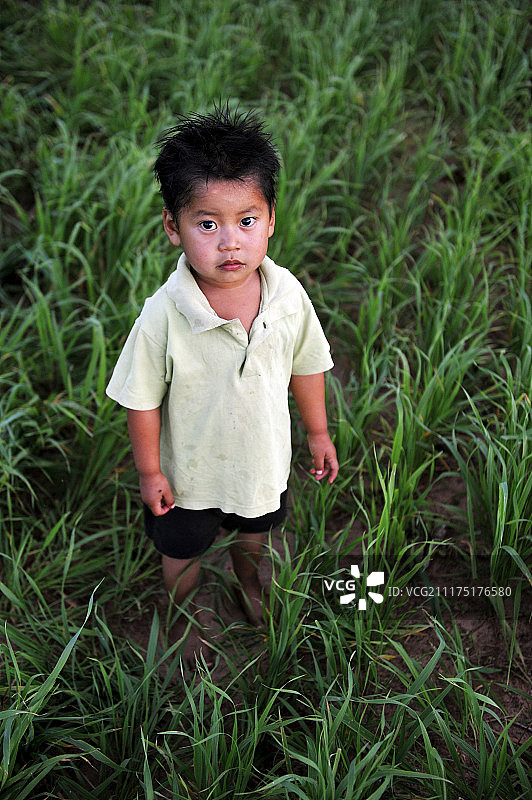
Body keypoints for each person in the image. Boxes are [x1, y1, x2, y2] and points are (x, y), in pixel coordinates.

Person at [106, 105, 338, 666]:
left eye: (246, 221)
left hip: (260, 464)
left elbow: (306, 365)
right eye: (207, 223)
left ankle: (247, 584)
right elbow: (141, 400)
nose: (229, 242)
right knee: (180, 550)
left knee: (253, 534)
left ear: (272, 218)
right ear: (173, 226)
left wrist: (317, 432)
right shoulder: (164, 314)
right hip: (187, 474)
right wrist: (150, 471)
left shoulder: (285, 297)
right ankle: (182, 610)